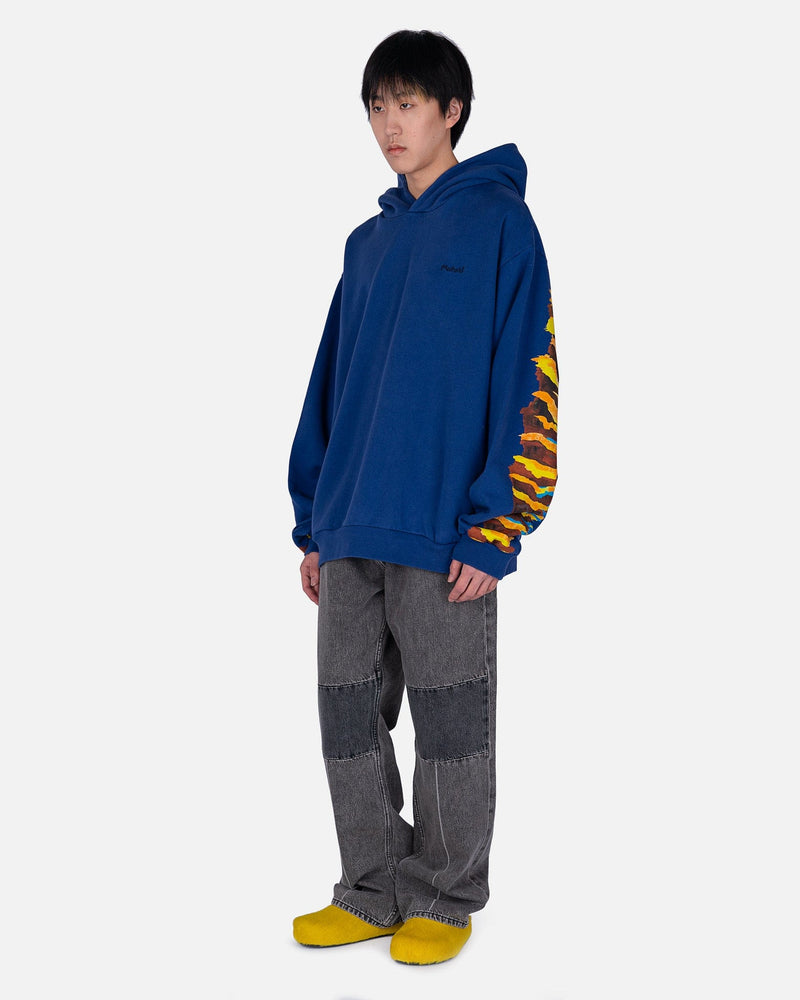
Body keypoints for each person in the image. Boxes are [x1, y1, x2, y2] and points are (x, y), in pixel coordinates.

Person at [287, 28, 558, 966]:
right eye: (376, 106)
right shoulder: (366, 245)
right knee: (345, 718)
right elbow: (331, 382)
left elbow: (528, 377)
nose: (389, 124)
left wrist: (499, 528)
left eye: (407, 104)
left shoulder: (501, 226)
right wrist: (313, 523)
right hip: (350, 523)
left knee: (451, 725)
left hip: (447, 531)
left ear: (452, 111)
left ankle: (442, 898)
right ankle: (370, 889)